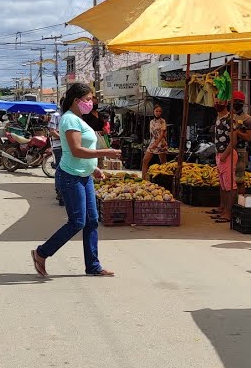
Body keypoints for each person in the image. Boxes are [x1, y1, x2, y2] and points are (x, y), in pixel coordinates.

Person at [32, 83, 121, 278]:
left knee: (92, 221)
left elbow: (80, 153)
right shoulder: (70, 120)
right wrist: (106, 152)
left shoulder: (79, 119)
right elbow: (76, 150)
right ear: (76, 101)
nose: (91, 103)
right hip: (71, 177)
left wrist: (94, 167)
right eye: (88, 99)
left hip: (84, 175)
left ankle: (93, 266)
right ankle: (41, 253)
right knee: (77, 222)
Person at [212, 99, 238, 223]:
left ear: (226, 103)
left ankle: (229, 213)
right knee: (223, 185)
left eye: (220, 102)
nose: (217, 103)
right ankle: (223, 209)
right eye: (216, 101)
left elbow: (234, 141)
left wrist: (224, 155)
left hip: (226, 155)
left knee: (229, 185)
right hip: (220, 154)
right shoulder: (218, 118)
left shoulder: (229, 119)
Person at [231, 92, 251, 189]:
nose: (237, 103)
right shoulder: (227, 116)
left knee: (239, 179)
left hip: (240, 151)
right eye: (235, 101)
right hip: (226, 151)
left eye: (239, 101)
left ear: (243, 103)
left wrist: (237, 132)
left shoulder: (248, 119)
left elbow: (248, 137)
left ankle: (239, 201)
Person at [141, 104, 171, 178]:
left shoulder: (163, 121)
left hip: (161, 143)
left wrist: (156, 143)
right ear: (153, 111)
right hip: (153, 142)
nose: (158, 113)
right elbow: (152, 134)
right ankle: (143, 178)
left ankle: (165, 178)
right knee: (145, 160)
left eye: (159, 111)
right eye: (156, 111)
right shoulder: (151, 122)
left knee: (163, 163)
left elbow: (162, 134)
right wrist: (151, 143)